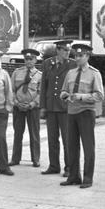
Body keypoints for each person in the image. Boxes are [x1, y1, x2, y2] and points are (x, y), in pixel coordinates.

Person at [59, 44, 104, 189]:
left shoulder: (94, 73)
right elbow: (63, 90)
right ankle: (73, 176)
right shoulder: (71, 73)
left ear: (87, 56)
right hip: (72, 112)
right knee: (72, 146)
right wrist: (65, 95)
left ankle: (87, 178)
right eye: (76, 56)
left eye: (80, 55)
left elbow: (99, 95)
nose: (77, 58)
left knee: (87, 147)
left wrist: (82, 96)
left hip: (85, 112)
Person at [39, 39, 77, 177]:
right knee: (52, 138)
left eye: (69, 50)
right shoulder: (48, 63)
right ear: (58, 50)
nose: (68, 53)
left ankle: (69, 167)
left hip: (65, 107)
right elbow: (44, 86)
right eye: (65, 50)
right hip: (51, 106)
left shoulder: (72, 64)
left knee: (68, 139)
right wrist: (42, 106)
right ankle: (54, 165)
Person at [9, 48, 42, 168]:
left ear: (35, 60)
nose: (28, 61)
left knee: (34, 134)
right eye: (26, 59)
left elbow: (40, 93)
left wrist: (32, 104)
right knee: (18, 133)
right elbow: (11, 90)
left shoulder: (39, 75)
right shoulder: (17, 72)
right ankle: (15, 158)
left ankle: (36, 159)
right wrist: (16, 102)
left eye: (31, 59)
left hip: (32, 108)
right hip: (18, 106)